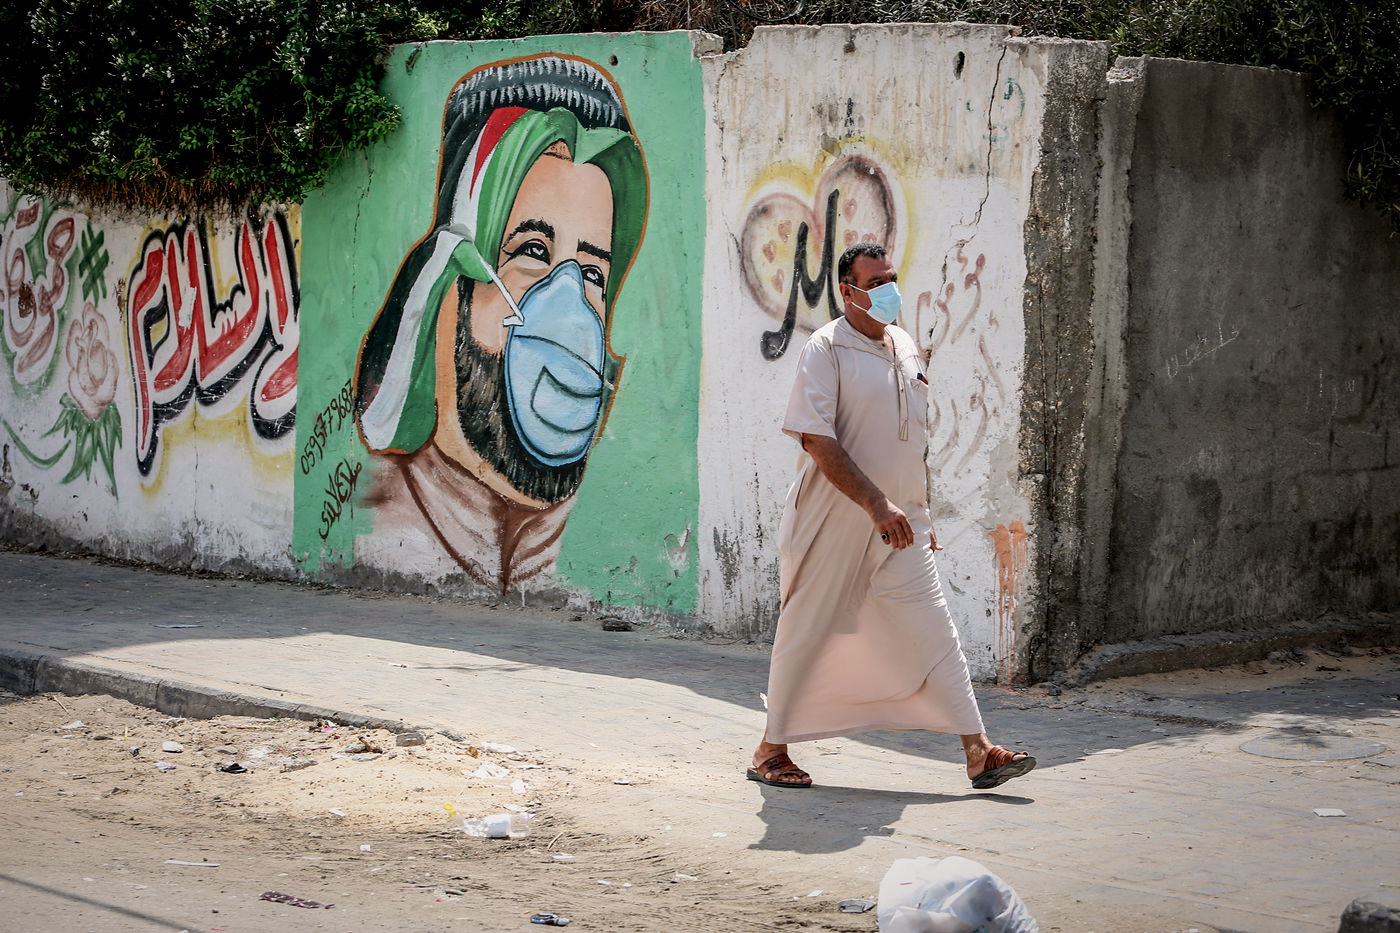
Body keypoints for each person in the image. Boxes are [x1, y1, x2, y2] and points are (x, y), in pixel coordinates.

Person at [353, 56, 647, 593]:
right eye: (532, 251)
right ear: (453, 276)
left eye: (591, 272)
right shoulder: (378, 520)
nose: (569, 306)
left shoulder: (569, 548)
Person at [748, 242, 1035, 791]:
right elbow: (815, 437)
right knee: (807, 628)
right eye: (875, 282)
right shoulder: (826, 349)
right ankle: (771, 749)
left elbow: (911, 443)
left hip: (905, 524)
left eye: (891, 279)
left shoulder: (904, 345)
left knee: (936, 629)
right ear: (846, 290)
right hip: (833, 518)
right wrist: (876, 503)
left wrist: (919, 513)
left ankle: (979, 752)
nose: (887, 292)